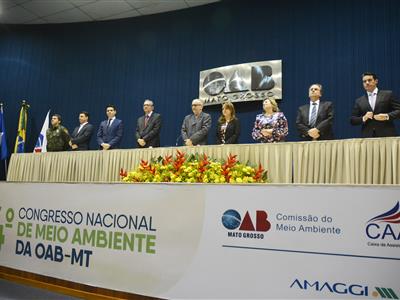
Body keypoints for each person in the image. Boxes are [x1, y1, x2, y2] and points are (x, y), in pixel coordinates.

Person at [351, 72, 400, 137]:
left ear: (376, 81)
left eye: (369, 80)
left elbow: (398, 110)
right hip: (368, 137)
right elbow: (352, 120)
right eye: (364, 81)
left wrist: (387, 116)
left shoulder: (388, 95)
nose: (367, 83)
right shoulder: (359, 101)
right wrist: (364, 118)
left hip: (387, 135)